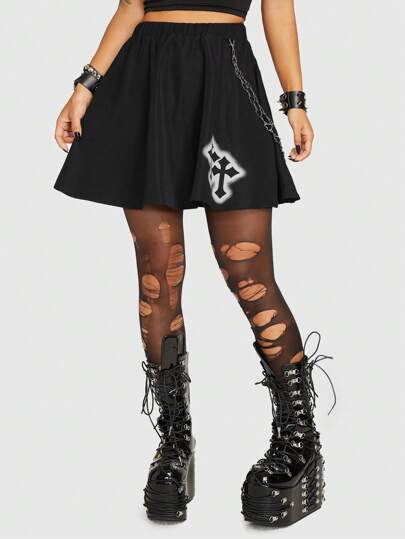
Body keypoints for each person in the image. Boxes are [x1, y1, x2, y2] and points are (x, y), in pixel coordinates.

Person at [54, 0, 334, 527]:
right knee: (157, 276)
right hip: (146, 81)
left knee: (248, 274)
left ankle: (300, 441)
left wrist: (294, 100)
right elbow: (132, 4)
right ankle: (174, 444)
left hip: (226, 76)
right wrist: (85, 85)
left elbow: (277, 6)